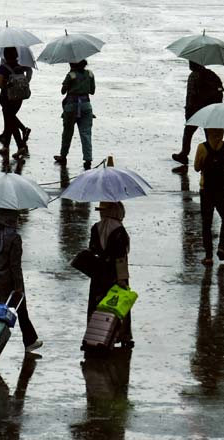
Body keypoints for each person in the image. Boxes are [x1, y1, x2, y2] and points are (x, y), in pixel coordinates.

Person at [0, 209, 43, 352]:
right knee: (21, 310)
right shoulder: (15, 237)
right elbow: (15, 264)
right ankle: (29, 341)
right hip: (10, 280)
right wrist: (18, 286)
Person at [193, 128, 224, 265]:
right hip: (223, 191)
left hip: (207, 190)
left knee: (206, 223)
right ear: (222, 132)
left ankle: (208, 256)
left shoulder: (202, 147)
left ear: (207, 132)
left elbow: (196, 167)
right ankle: (221, 247)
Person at [87, 201, 134, 348]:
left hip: (99, 273)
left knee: (97, 304)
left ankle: (96, 335)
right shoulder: (119, 230)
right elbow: (120, 257)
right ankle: (121, 334)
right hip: (115, 274)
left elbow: (92, 249)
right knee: (118, 306)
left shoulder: (96, 227)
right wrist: (122, 279)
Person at [172, 61, 224, 165]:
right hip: (209, 109)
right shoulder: (211, 74)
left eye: (190, 63)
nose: (189, 65)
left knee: (188, 132)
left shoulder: (193, 76)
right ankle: (212, 155)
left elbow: (191, 96)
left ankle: (184, 154)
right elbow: (220, 89)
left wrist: (188, 111)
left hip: (195, 110)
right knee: (208, 133)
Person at [54, 60, 95, 170]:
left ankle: (63, 156)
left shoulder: (71, 75)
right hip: (86, 105)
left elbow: (63, 91)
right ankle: (88, 158)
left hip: (71, 106)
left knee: (68, 132)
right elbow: (92, 91)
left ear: (72, 64)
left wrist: (69, 81)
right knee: (86, 133)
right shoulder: (90, 74)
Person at [0, 47, 29, 160]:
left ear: (5, 56)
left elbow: (0, 84)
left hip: (7, 98)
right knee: (9, 120)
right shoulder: (20, 68)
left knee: (10, 121)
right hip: (18, 98)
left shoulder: (3, 68)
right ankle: (6, 146)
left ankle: (20, 145)